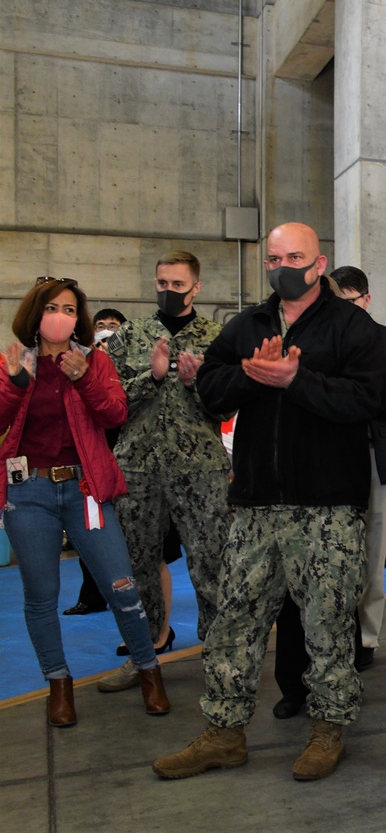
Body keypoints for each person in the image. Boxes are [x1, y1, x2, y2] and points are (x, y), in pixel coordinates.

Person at [152, 222, 385, 782]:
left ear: (320, 263)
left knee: (327, 624)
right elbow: (210, 388)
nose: (284, 265)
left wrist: (293, 380)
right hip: (255, 504)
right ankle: (224, 733)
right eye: (275, 257)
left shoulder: (353, 326)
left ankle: (329, 727)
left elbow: (366, 400)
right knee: (235, 621)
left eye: (295, 256)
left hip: (326, 507)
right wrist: (256, 378)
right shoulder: (249, 323)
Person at [0, 277, 169, 726]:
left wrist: (83, 379)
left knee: (122, 586)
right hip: (27, 491)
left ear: (80, 318)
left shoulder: (94, 362)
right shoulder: (13, 361)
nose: (62, 316)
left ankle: (149, 672)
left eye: (71, 310)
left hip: (84, 490)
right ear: (35, 314)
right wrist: (17, 383)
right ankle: (59, 684)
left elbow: (115, 413)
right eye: (54, 307)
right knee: (40, 596)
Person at [268, 266, 386, 719]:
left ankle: (364, 639)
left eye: (353, 301)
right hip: (324, 457)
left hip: (375, 453)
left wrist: (354, 396)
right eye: (339, 299)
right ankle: (315, 658)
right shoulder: (312, 338)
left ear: (367, 300)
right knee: (320, 562)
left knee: (370, 554)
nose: (346, 307)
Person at [100, 251, 234, 692]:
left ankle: (218, 656)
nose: (168, 292)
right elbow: (110, 404)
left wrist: (197, 384)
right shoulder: (130, 335)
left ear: (197, 288)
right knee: (136, 566)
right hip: (137, 469)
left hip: (200, 470)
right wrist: (152, 379)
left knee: (210, 563)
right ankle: (142, 656)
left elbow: (227, 406)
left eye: (178, 285)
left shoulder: (218, 338)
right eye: (162, 283)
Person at [63, 307, 130, 617]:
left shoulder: (130, 362)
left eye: (112, 326)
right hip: (95, 452)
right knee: (91, 526)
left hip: (126, 453)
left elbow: (120, 408)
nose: (105, 331)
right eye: (99, 325)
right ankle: (91, 595)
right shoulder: (83, 361)